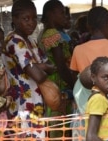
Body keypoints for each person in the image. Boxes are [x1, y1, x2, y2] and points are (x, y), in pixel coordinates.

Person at [70, 6, 108, 140]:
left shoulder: (78, 50)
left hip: (84, 103)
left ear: (88, 25)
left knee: (87, 131)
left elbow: (74, 78)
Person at [2, 0, 56, 139]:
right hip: (22, 103)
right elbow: (39, 76)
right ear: (15, 19)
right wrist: (40, 66)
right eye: (26, 19)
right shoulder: (14, 41)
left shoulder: (31, 41)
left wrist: (36, 66)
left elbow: (51, 67)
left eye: (34, 18)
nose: (31, 22)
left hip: (36, 100)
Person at [38, 0, 75, 139]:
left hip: (52, 81)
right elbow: (61, 66)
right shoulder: (52, 34)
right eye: (61, 13)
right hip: (59, 83)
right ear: (50, 14)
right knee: (60, 124)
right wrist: (74, 85)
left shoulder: (44, 33)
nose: (64, 16)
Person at [85, 56, 108, 141]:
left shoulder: (105, 98)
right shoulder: (98, 99)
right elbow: (91, 137)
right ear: (93, 77)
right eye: (106, 77)